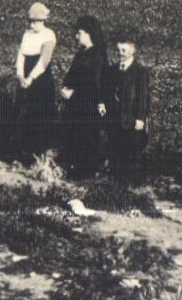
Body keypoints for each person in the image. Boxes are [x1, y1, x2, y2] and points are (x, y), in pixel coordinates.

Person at [59, 14, 109, 177]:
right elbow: (72, 74)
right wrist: (66, 87)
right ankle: (73, 168)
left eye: (79, 33)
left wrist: (73, 92)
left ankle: (85, 171)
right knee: (73, 135)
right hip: (76, 103)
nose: (76, 36)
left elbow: (94, 83)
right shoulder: (82, 53)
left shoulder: (96, 56)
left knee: (85, 137)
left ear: (88, 34)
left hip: (87, 104)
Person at [15, 2, 58, 160]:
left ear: (43, 21)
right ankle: (24, 151)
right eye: (31, 21)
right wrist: (20, 76)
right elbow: (21, 56)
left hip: (40, 79)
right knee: (24, 112)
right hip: (25, 77)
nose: (32, 25)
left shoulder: (48, 35)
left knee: (40, 113)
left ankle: (40, 151)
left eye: (36, 22)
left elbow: (44, 61)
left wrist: (31, 78)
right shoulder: (26, 35)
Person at [106, 37, 152, 179]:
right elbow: (108, 91)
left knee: (130, 149)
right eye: (118, 50)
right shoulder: (112, 70)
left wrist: (140, 118)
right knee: (114, 147)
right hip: (115, 117)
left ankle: (129, 184)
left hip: (131, 118)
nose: (121, 53)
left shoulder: (140, 72)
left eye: (124, 50)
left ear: (133, 50)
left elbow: (143, 96)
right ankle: (114, 181)